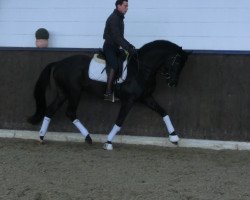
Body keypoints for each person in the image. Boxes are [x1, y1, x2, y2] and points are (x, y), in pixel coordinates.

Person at [103, 0, 136, 102]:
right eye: (125, 6)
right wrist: (128, 48)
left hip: (115, 47)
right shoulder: (114, 18)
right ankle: (108, 93)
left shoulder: (119, 18)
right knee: (114, 65)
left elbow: (120, 37)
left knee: (124, 60)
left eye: (127, 6)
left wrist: (130, 46)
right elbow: (117, 37)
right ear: (119, 6)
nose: (127, 8)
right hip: (109, 47)